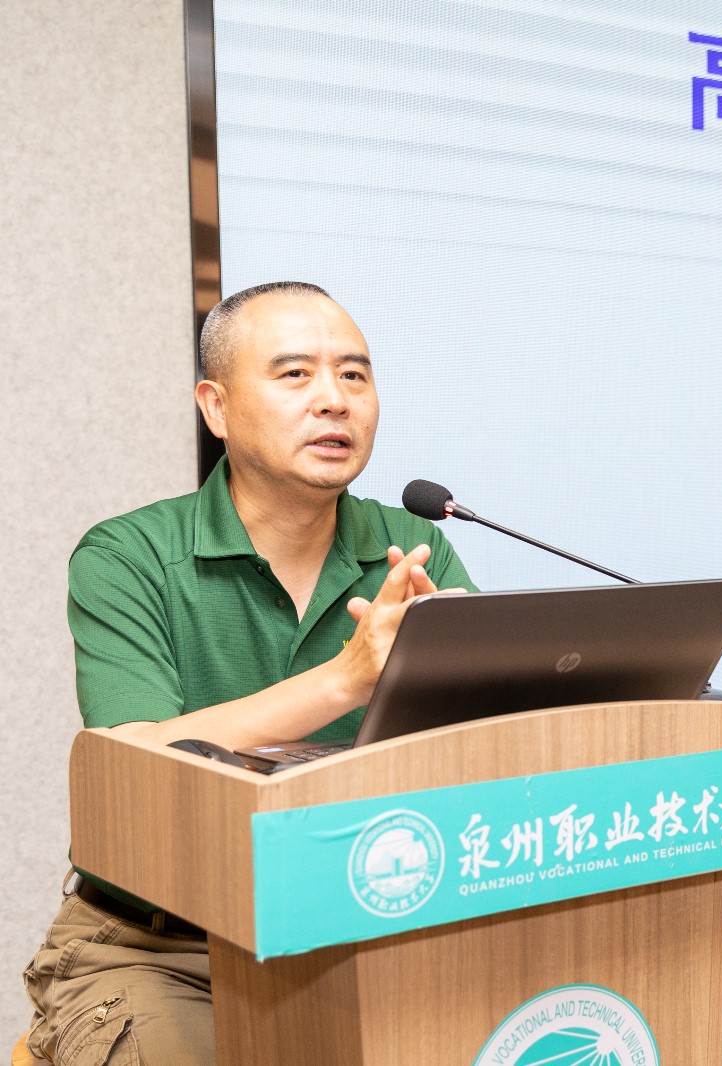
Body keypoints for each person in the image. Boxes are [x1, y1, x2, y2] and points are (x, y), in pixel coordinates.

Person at [21, 281, 475, 1065]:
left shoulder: (411, 544)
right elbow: (132, 759)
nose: (334, 399)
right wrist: (345, 680)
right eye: (296, 374)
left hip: (359, 929)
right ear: (217, 407)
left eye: (355, 375)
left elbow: (483, 746)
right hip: (163, 945)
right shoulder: (130, 557)